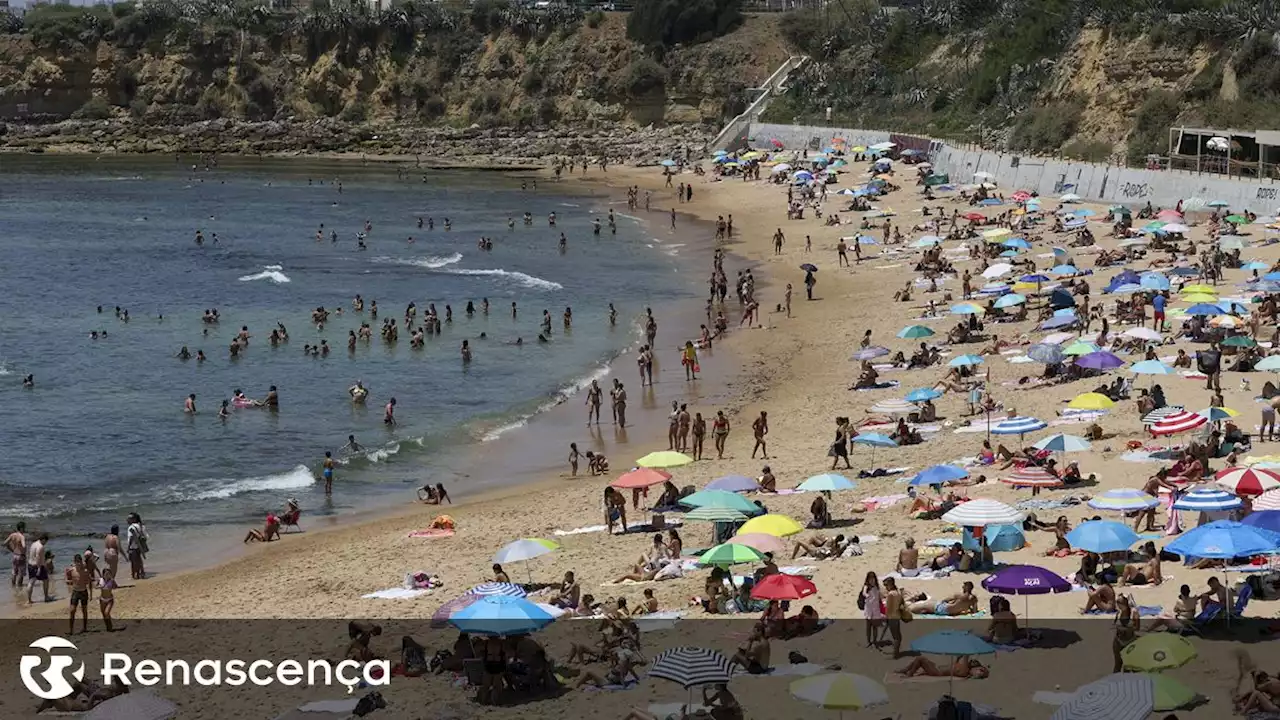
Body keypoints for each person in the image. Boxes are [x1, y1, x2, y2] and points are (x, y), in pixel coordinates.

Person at [907, 581, 979, 616]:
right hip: (953, 612)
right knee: (930, 602)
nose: (962, 587)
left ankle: (908, 606)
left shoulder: (959, 595)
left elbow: (945, 600)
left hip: (943, 609)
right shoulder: (974, 598)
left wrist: (950, 603)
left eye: (963, 586)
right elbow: (975, 611)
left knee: (924, 605)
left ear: (966, 587)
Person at [895, 655, 989, 679]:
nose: (971, 661)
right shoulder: (963, 668)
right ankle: (906, 670)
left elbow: (966, 655)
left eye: (973, 662)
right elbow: (956, 665)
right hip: (936, 667)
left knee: (920, 659)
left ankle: (909, 674)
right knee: (920, 660)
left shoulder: (965, 670)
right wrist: (958, 658)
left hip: (936, 672)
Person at [66, 554, 91, 634]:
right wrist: (68, 582)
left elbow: (89, 582)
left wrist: (91, 594)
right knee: (72, 610)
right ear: (74, 562)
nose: (78, 564)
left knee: (84, 610)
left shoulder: (85, 571)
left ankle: (85, 628)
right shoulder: (71, 570)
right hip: (75, 592)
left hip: (83, 591)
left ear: (81, 561)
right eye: (77, 562)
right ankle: (70, 630)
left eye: (79, 562)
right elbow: (67, 578)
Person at [882, 577, 905, 657]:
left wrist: (886, 618)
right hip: (896, 616)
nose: (885, 587)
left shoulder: (891, 594)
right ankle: (896, 652)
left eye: (886, 585)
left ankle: (895, 654)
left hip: (892, 617)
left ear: (890, 584)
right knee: (898, 636)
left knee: (896, 637)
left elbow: (888, 608)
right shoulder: (897, 592)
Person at [860, 571, 884, 648]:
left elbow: (880, 596)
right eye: (870, 579)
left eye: (873, 578)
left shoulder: (877, 587)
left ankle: (874, 641)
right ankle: (868, 641)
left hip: (876, 609)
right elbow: (864, 593)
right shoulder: (866, 587)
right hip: (869, 609)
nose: (872, 580)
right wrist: (867, 595)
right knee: (868, 626)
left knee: (875, 627)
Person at [27, 532, 50, 604]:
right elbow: (38, 557)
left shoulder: (34, 544)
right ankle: (46, 597)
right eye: (45, 541)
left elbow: (31, 554)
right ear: (43, 539)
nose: (45, 543)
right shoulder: (41, 547)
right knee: (46, 580)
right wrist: (40, 568)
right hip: (38, 566)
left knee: (31, 582)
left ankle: (29, 600)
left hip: (30, 564)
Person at [125, 513, 147, 580]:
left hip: (133, 546)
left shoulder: (131, 527)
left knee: (133, 562)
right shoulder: (140, 525)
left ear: (133, 519)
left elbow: (132, 537)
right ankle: (141, 573)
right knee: (139, 560)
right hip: (138, 546)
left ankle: (135, 575)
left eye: (129, 518)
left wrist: (128, 547)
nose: (127, 519)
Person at [6, 522, 25, 588]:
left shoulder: (12, 535)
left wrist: (12, 550)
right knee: (21, 573)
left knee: (14, 572)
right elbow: (24, 545)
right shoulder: (22, 536)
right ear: (22, 528)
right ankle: (19, 588)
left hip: (15, 555)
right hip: (21, 556)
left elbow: (5, 543)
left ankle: (13, 587)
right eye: (24, 528)